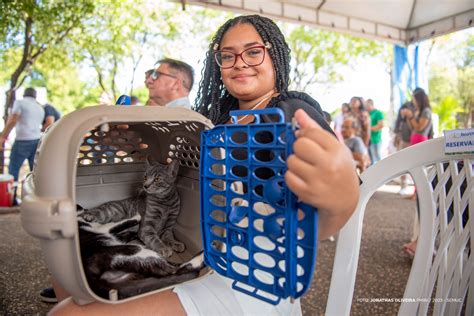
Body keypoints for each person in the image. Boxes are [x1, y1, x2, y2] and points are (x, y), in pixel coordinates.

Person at [50, 15, 359, 315]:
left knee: (67, 313)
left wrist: (341, 198)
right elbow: (176, 172)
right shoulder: (210, 120)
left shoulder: (290, 111)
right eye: (228, 55)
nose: (239, 62)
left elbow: (320, 212)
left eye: (253, 52)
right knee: (68, 271)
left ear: (275, 56)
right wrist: (133, 146)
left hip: (252, 271)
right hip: (198, 250)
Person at [399, 87, 433, 256]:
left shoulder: (426, 110)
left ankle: (419, 192)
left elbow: (420, 127)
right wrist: (409, 117)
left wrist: (411, 116)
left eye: (414, 98)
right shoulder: (418, 110)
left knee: (422, 173)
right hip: (414, 140)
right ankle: (416, 191)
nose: (412, 100)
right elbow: (413, 126)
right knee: (415, 173)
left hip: (422, 140)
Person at [0, 87, 44, 204]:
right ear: (34, 96)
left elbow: (13, 119)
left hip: (22, 141)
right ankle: (36, 199)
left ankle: (12, 199)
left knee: (13, 170)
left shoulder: (19, 103)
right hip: (36, 141)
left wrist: (3, 136)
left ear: (24, 95)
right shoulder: (40, 108)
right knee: (34, 172)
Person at [393, 101, 415, 196]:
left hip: (412, 143)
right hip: (402, 142)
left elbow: (414, 129)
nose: (404, 111)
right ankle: (403, 186)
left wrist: (409, 117)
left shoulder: (412, 119)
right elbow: (397, 130)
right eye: (403, 109)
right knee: (401, 166)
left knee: (412, 165)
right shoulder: (400, 120)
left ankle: (415, 188)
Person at [365, 99, 384, 164]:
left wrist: (368, 129)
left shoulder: (378, 113)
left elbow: (380, 125)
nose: (366, 107)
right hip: (368, 140)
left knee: (378, 158)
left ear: (371, 104)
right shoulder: (367, 113)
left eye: (367, 105)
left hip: (376, 139)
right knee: (371, 160)